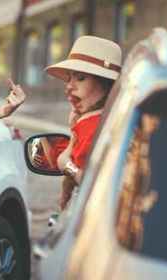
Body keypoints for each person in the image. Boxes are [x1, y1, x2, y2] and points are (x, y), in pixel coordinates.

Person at [45, 35, 122, 210]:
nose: (69, 86)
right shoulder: (105, 119)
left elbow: (93, 186)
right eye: (69, 78)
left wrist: (66, 164)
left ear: (105, 85)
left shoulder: (95, 126)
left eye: (80, 78)